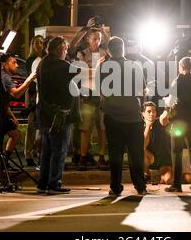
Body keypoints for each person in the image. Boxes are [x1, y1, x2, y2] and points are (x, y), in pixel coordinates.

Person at [96, 37, 147, 196]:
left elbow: (100, 91)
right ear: (123, 49)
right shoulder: (135, 66)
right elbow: (142, 90)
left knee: (115, 154)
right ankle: (140, 186)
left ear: (109, 51)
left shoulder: (104, 67)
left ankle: (116, 187)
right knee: (136, 154)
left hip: (112, 116)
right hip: (133, 116)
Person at [36, 37, 81, 194]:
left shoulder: (43, 63)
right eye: (64, 49)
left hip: (46, 113)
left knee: (47, 151)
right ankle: (54, 182)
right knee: (59, 150)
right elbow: (78, 75)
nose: (66, 51)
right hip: (59, 115)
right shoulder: (59, 65)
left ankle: (43, 181)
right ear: (56, 49)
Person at [160, 56, 191, 192]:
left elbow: (171, 102)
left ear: (181, 67)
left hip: (179, 121)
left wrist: (167, 111)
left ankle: (176, 184)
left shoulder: (177, 81)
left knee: (176, 151)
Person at [0, 54, 37, 177]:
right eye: (13, 62)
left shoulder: (4, 75)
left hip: (2, 111)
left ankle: (4, 161)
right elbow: (16, 94)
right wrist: (29, 79)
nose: (17, 65)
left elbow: (3, 100)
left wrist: (12, 117)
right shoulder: (4, 76)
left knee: (16, 134)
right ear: (5, 64)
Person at [71, 26, 108, 171]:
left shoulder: (104, 53)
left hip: (101, 96)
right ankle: (83, 157)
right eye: (94, 39)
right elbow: (82, 73)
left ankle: (101, 156)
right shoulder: (82, 54)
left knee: (102, 128)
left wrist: (104, 31)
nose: (97, 42)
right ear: (87, 39)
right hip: (87, 95)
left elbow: (106, 72)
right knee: (85, 128)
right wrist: (97, 70)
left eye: (99, 39)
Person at [24, 35, 44, 167]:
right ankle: (28, 153)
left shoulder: (45, 58)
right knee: (31, 124)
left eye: (41, 42)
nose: (39, 45)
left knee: (41, 125)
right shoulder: (31, 59)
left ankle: (39, 152)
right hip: (32, 92)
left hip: (43, 93)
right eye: (36, 42)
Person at [142, 102, 172, 185]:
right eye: (149, 111)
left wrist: (168, 107)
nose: (152, 114)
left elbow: (164, 117)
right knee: (140, 150)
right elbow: (143, 145)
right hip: (149, 158)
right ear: (143, 114)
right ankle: (146, 175)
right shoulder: (139, 125)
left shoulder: (160, 121)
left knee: (168, 180)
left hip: (163, 160)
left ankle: (162, 176)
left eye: (154, 111)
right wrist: (148, 126)